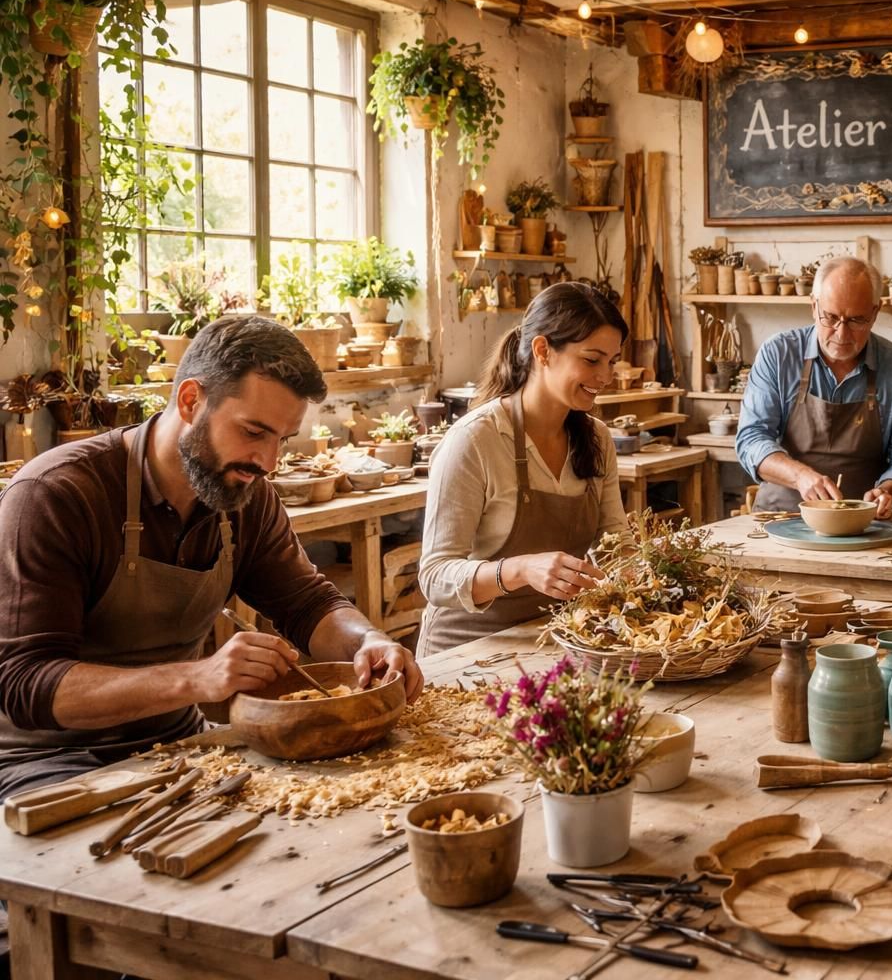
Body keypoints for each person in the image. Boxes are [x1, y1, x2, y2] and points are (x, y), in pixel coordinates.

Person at [0, 316, 422, 801]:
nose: (267, 462)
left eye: (282, 440)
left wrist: (366, 642)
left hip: (175, 741)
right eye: (253, 432)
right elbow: (26, 684)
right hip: (46, 760)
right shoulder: (56, 495)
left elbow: (306, 603)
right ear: (190, 401)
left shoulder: (243, 492)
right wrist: (198, 677)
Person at [417, 283, 629, 657]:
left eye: (612, 361)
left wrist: (649, 572)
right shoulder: (475, 440)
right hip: (466, 651)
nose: (606, 376)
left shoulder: (596, 439)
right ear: (543, 350)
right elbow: (434, 577)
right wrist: (519, 570)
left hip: (554, 640)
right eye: (592, 360)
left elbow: (617, 545)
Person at [735, 256, 892, 516]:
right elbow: (751, 439)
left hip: (863, 523)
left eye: (856, 320)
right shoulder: (778, 354)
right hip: (780, 517)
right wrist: (800, 476)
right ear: (813, 307)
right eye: (830, 317)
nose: (841, 334)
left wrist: (890, 490)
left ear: (875, 312)